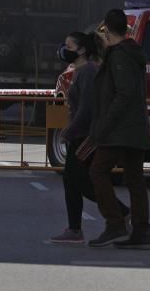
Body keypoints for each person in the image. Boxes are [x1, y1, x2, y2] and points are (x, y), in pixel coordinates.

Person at [49, 31, 128, 244]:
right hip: (83, 133)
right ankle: (79, 227)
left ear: (82, 49)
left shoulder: (88, 72)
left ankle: (115, 215)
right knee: (77, 180)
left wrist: (70, 130)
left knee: (78, 179)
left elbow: (87, 108)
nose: (65, 50)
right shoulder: (80, 71)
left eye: (69, 46)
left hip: (87, 136)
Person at [88, 8, 150, 250]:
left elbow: (123, 93)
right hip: (134, 127)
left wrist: (105, 124)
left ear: (106, 28)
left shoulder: (120, 55)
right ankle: (142, 231)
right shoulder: (129, 52)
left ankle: (115, 222)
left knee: (98, 171)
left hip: (120, 129)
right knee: (135, 179)